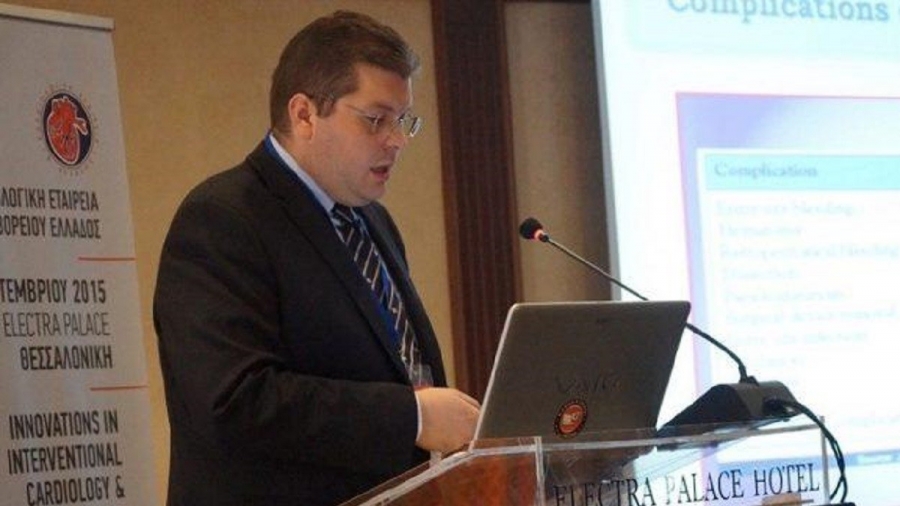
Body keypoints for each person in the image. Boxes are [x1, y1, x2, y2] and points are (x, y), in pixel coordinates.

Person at [153, 11, 480, 506]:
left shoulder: (373, 222)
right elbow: (234, 401)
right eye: (376, 119)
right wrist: (411, 418)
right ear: (304, 114)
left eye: (403, 120)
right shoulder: (222, 219)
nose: (396, 139)